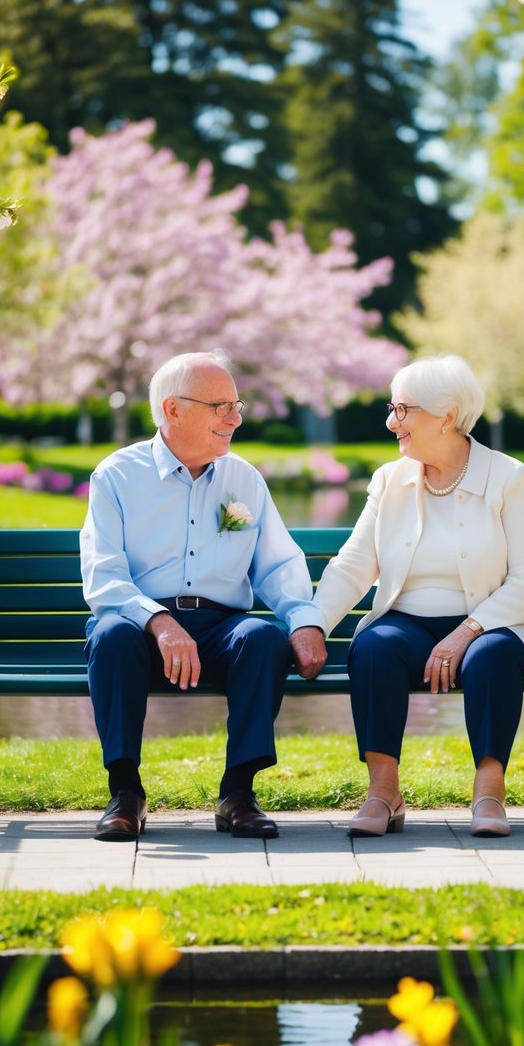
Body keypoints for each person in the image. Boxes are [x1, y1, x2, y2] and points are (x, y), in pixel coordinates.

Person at [80, 351, 327, 842]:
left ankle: (238, 793)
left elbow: (278, 563)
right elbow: (104, 576)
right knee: (110, 635)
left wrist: (304, 620)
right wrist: (159, 622)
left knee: (261, 636)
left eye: (236, 405)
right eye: (220, 406)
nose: (234, 418)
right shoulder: (116, 476)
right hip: (139, 629)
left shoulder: (244, 479)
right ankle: (125, 793)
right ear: (173, 410)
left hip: (219, 631)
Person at [312, 354, 524, 838]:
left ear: (446, 416)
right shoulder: (390, 479)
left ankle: (490, 793)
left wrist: (467, 630)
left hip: (489, 621)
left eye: (403, 410)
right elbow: (354, 565)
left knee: (492, 657)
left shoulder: (506, 476)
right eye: (392, 408)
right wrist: (313, 625)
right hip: (407, 620)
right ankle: (383, 792)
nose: (390, 422)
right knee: (374, 648)